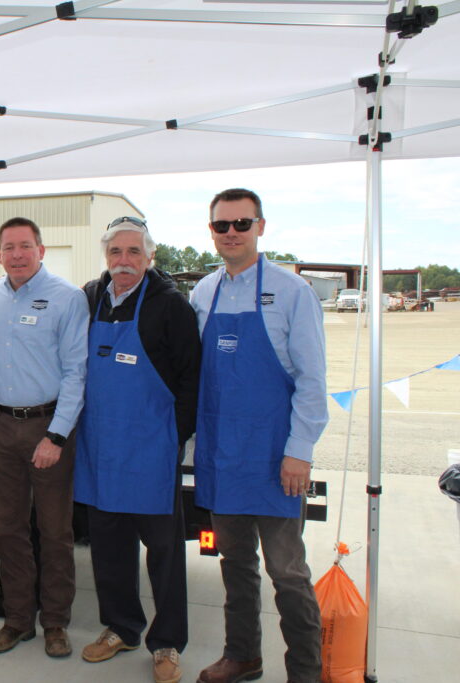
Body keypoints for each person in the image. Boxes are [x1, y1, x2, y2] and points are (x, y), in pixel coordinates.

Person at [190, 189, 328, 683]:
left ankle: (305, 673)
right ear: (211, 232)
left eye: (241, 224)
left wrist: (300, 452)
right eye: (222, 225)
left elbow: (312, 381)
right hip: (223, 457)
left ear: (261, 227)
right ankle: (242, 656)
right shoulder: (202, 292)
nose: (231, 233)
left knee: (288, 573)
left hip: (276, 460)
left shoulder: (293, 292)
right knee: (235, 565)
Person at [75, 217, 200, 683]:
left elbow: (191, 381)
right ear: (105, 257)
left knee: (165, 553)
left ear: (149, 257)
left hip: (151, 452)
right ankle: (121, 627)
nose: (123, 262)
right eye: (115, 253)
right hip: (101, 450)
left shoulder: (171, 307)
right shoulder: (89, 298)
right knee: (109, 549)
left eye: (133, 253)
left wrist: (174, 438)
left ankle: (166, 642)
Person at [0, 217, 89, 658]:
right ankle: (17, 620)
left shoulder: (67, 297)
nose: (18, 254)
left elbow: (76, 373)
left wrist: (57, 436)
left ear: (41, 250)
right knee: (8, 531)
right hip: (0, 426)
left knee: (55, 532)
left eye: (26, 246)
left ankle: (56, 623)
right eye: (9, 247)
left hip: (48, 427)